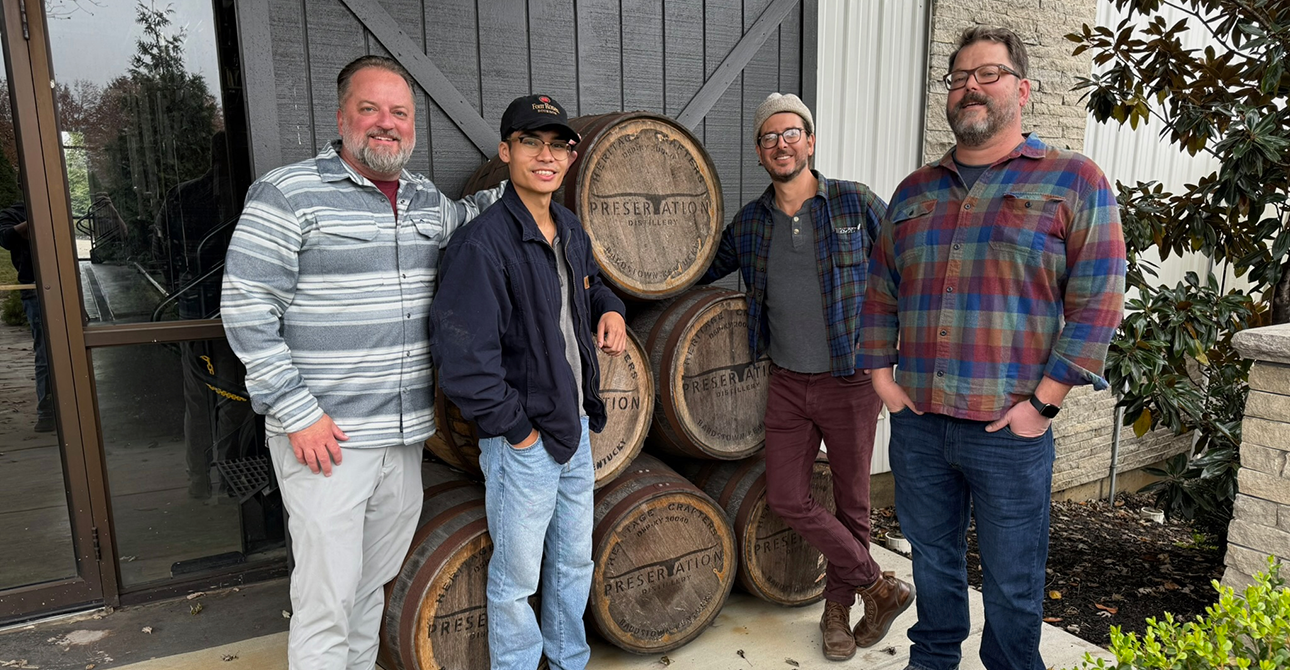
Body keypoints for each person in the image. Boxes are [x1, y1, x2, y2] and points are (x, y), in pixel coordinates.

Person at [858, 27, 1126, 670]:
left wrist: (1045, 404)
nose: (970, 87)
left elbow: (1099, 302)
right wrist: (881, 377)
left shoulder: (1073, 180)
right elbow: (880, 289)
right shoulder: (915, 191)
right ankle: (933, 658)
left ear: (1022, 90)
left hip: (1010, 427)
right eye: (958, 78)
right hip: (921, 423)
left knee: (1012, 581)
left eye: (988, 74)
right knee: (932, 561)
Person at [220, 55, 501, 670]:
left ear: (413, 125)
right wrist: (298, 414)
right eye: (369, 108)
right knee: (326, 602)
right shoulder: (288, 193)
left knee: (370, 589)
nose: (385, 123)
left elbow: (477, 216)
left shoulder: (425, 200)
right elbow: (246, 307)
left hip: (402, 436)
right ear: (341, 116)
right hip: (327, 438)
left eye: (399, 112)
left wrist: (536, 172)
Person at [700, 92, 914, 662]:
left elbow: (907, 265)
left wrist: (895, 355)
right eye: (769, 137)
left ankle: (837, 611)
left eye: (791, 133)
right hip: (789, 384)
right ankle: (879, 586)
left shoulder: (854, 203)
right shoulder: (751, 223)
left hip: (850, 382)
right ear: (759, 151)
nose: (781, 144)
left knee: (853, 502)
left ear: (810, 142)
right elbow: (694, 268)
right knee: (788, 497)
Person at [428, 94, 627, 670]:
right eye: (530, 142)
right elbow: (463, 360)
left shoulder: (568, 228)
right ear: (505, 151)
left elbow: (590, 286)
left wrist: (611, 308)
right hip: (525, 444)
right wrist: (518, 433)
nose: (546, 155)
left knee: (573, 564)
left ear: (570, 157)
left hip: (576, 429)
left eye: (558, 145)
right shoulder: (482, 243)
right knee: (516, 581)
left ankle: (568, 660)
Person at [0, 201, 54, 433]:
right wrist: (34, 219)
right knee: (45, 351)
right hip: (33, 287)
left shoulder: (55, 205)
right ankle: (47, 413)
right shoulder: (11, 213)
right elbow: (5, 239)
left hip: (65, 285)